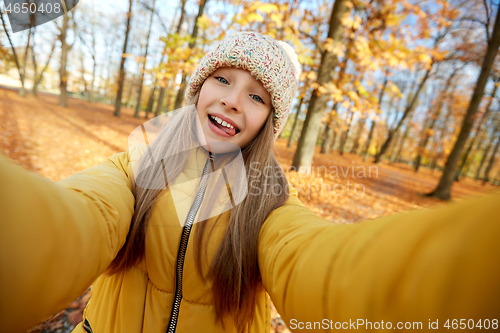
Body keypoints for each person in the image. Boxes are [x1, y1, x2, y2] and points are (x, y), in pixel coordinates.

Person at [0, 32, 499, 333]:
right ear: (199, 88)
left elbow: (315, 263)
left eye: (257, 97)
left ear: (267, 122)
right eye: (223, 80)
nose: (234, 101)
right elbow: (78, 217)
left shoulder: (271, 202)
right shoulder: (136, 163)